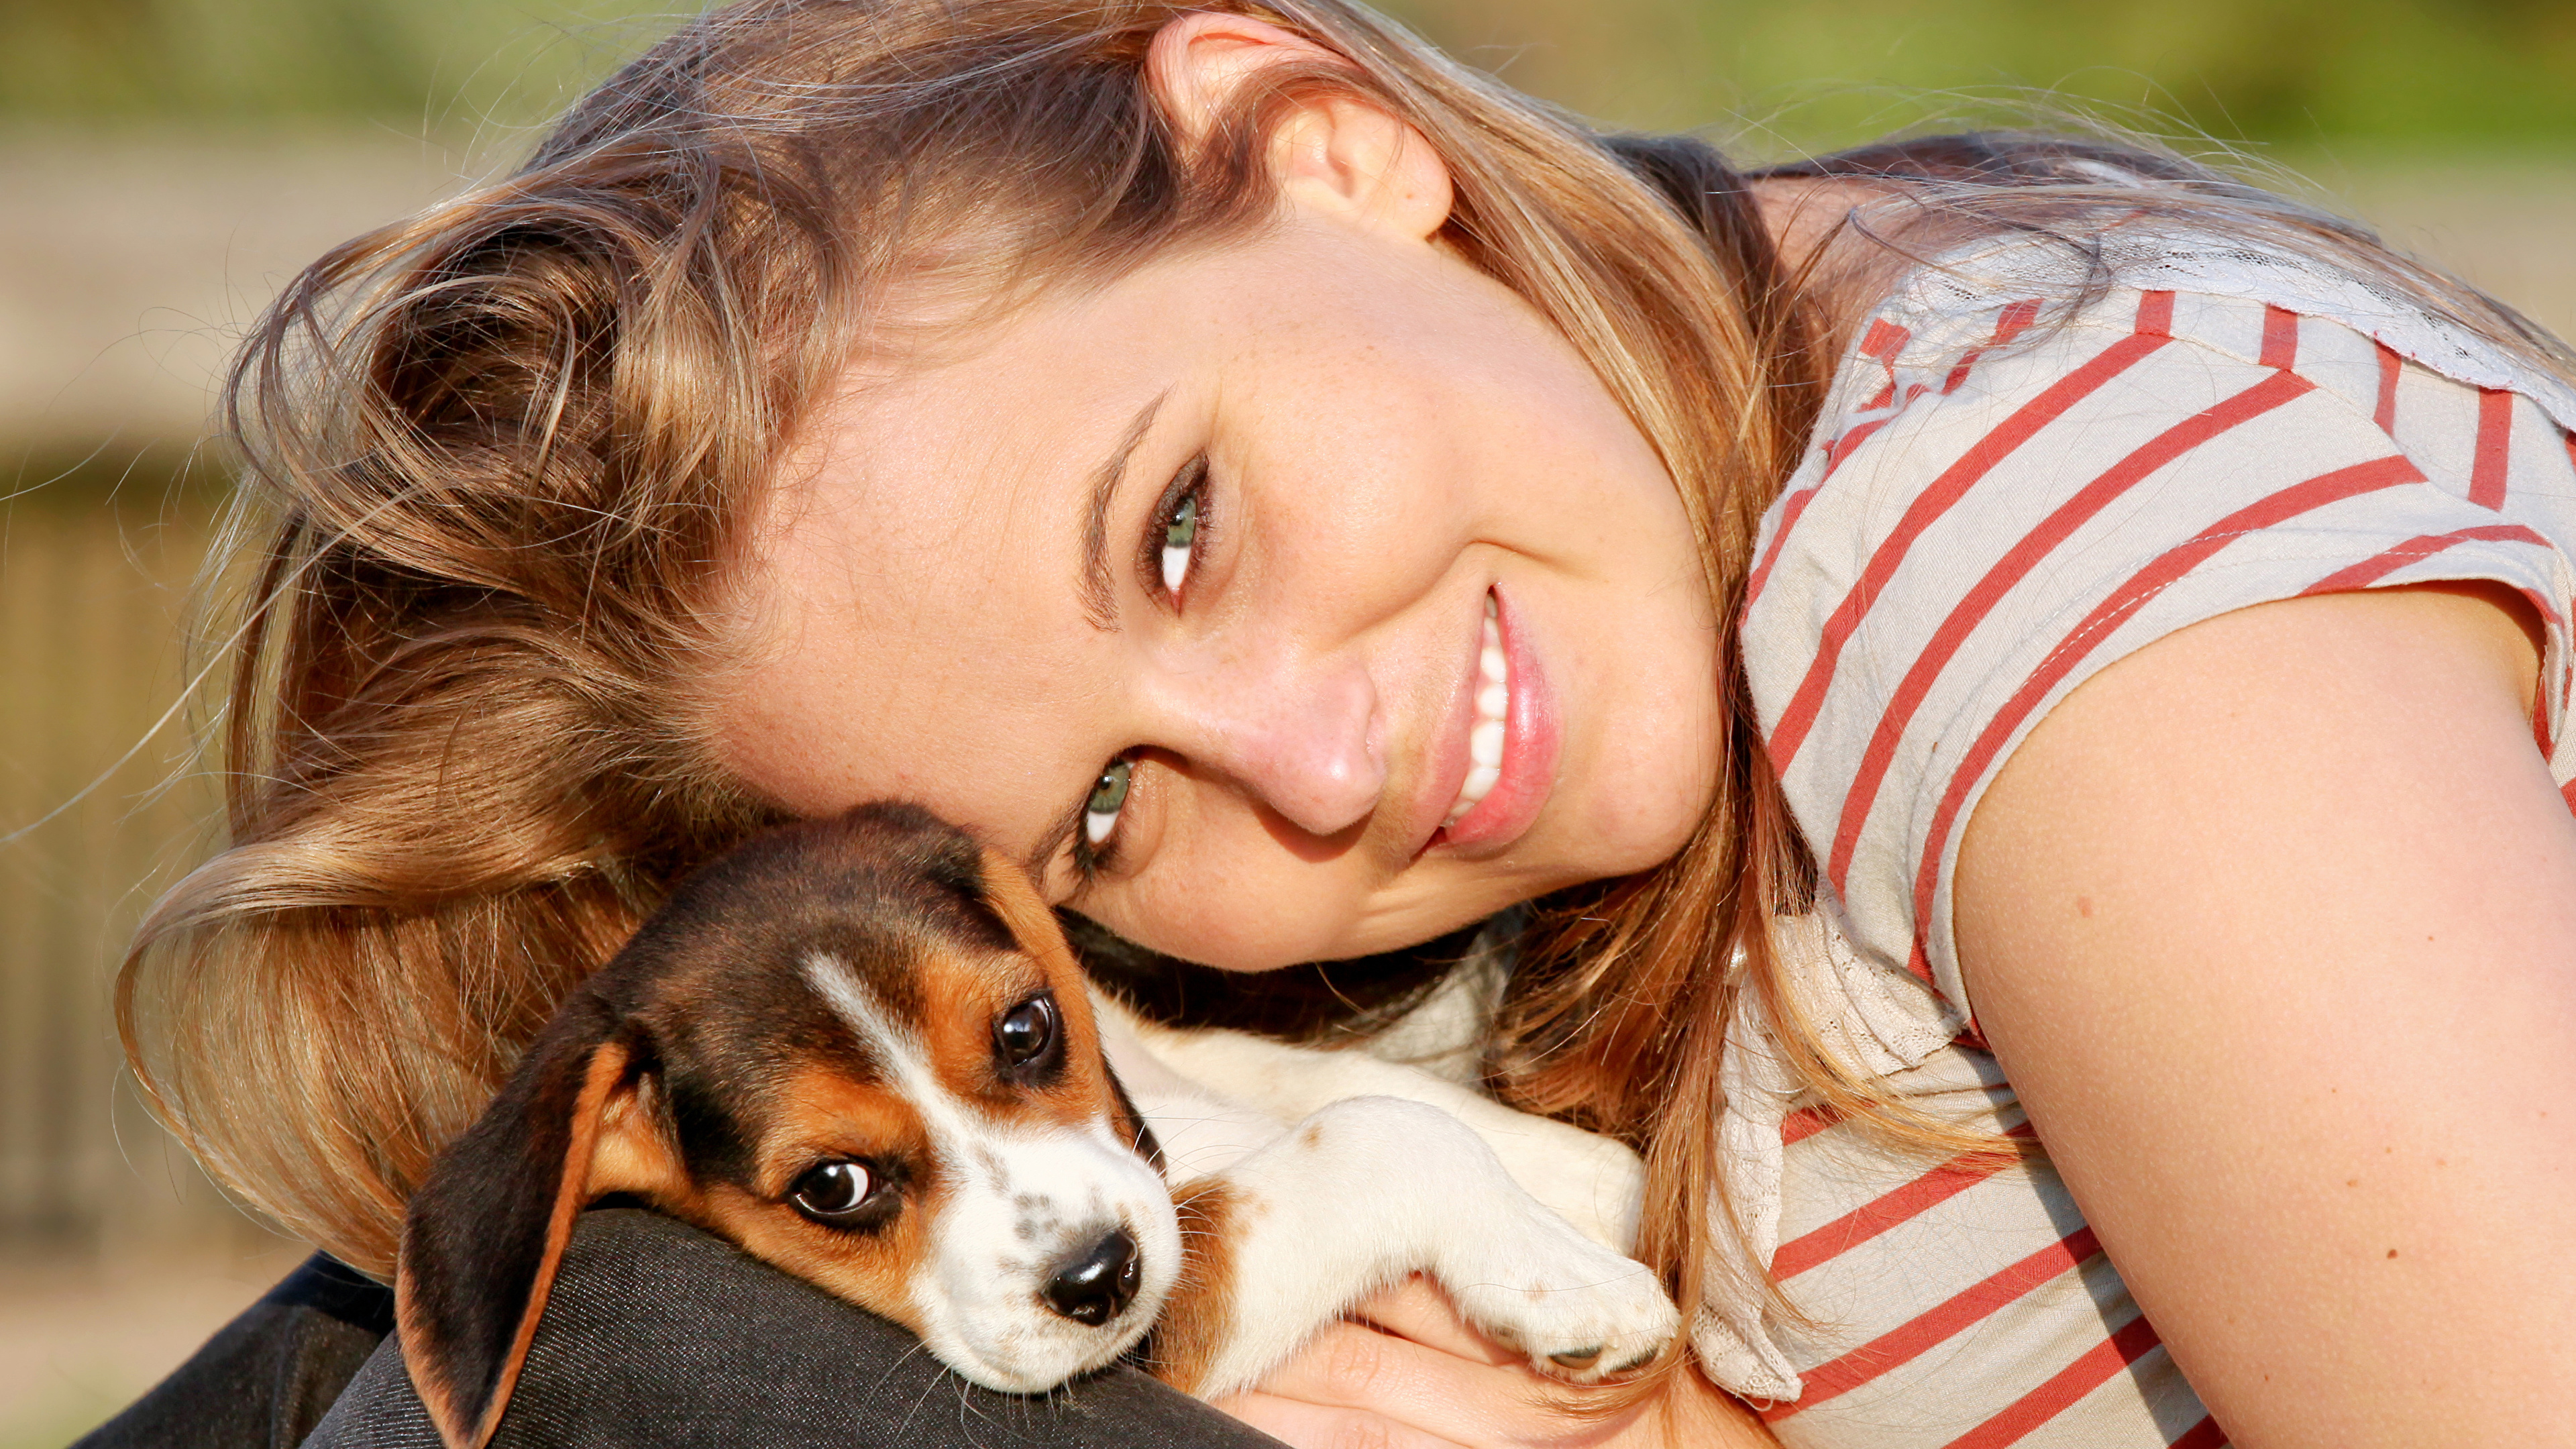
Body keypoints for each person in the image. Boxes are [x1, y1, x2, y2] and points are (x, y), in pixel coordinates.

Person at [88, 1, 2576, 1446]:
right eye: (1100, 804)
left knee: (605, 1368)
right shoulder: (1714, 509)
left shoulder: (2070, 585)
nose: (1304, 754)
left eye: (1177, 523)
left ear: (1324, 138)